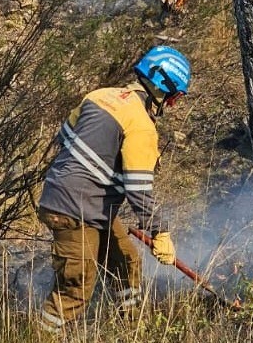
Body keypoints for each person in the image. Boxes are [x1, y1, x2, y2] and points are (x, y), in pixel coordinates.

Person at [37, 45, 191, 334]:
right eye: (174, 99)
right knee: (75, 290)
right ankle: (40, 336)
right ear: (163, 89)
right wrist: (160, 232)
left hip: (80, 203)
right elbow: (138, 190)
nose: (172, 106)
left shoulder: (99, 96)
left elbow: (64, 138)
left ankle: (130, 329)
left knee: (126, 262)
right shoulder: (142, 125)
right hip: (76, 211)